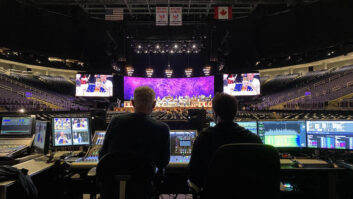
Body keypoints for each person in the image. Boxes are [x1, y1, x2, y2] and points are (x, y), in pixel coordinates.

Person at [99, 86, 170, 199]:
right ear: (154, 104)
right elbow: (163, 163)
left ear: (132, 103)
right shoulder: (162, 128)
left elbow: (102, 155)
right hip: (143, 191)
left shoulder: (115, 121)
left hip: (112, 190)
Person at [188, 93, 262, 189]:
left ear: (214, 113)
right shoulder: (254, 140)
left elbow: (194, 175)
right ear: (235, 113)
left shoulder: (204, 138)